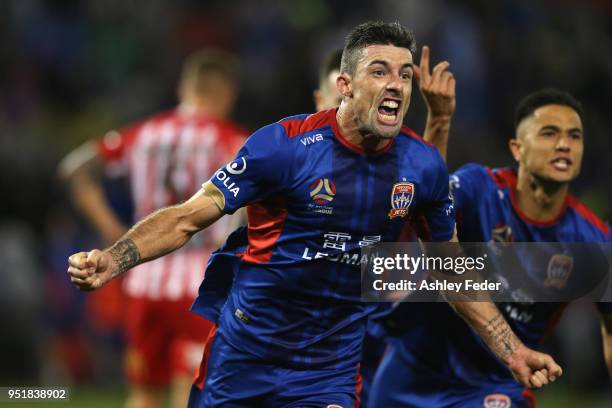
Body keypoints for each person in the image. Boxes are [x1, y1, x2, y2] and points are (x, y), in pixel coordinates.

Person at [67, 21, 561, 407]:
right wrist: (114, 260)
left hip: (326, 370)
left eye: (405, 74)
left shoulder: (422, 166)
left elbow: (449, 269)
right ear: (344, 85)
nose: (397, 85)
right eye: (380, 71)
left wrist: (512, 349)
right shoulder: (283, 147)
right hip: (244, 355)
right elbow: (187, 218)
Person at [368, 52, 612, 406]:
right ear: (518, 149)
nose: (564, 144)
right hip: (412, 372)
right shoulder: (479, 188)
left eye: (575, 136)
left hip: (495, 384)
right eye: (550, 133)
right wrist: (439, 120)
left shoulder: (592, 239)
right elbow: (421, 206)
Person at [59, 49, 245, 408]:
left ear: (184, 89)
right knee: (192, 392)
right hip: (202, 282)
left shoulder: (143, 133)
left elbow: (74, 169)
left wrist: (114, 231)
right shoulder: (232, 140)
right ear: (226, 93)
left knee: (143, 393)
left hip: (143, 276)